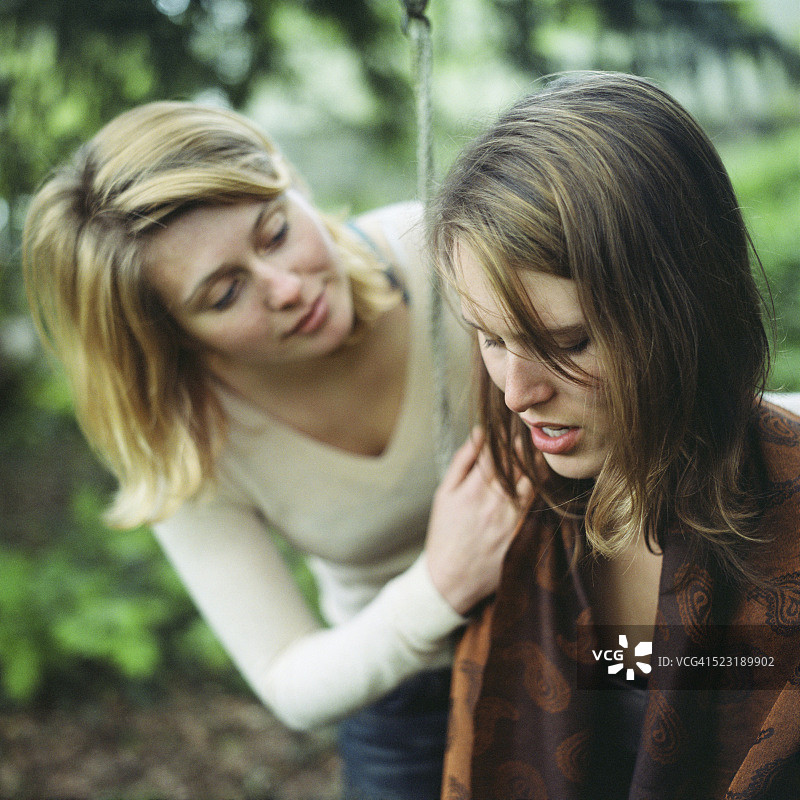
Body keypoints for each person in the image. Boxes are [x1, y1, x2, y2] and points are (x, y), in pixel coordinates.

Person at [22, 101, 531, 800]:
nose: (287, 288)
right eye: (226, 293)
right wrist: (441, 582)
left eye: (277, 231)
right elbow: (289, 680)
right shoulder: (190, 444)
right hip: (409, 698)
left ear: (291, 182)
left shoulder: (435, 252)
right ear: (170, 336)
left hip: (592, 616)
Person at [429, 71, 800, 800]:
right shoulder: (509, 514)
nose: (517, 394)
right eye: (490, 338)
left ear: (685, 311)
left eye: (568, 342)